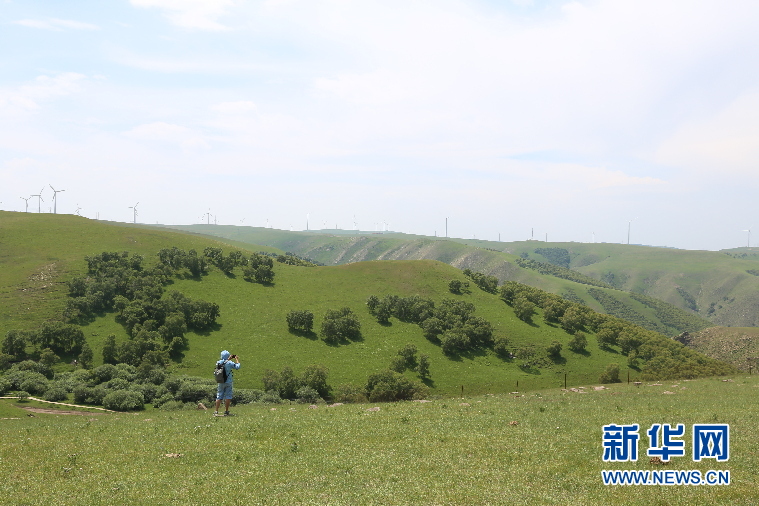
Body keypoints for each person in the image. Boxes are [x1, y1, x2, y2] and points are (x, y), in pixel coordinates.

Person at [214, 350, 241, 416]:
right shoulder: (229, 363)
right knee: (228, 396)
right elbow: (237, 367)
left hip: (220, 381)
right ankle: (226, 411)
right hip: (228, 381)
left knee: (219, 396)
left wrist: (228, 359)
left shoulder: (218, 362)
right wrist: (236, 359)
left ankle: (216, 411)